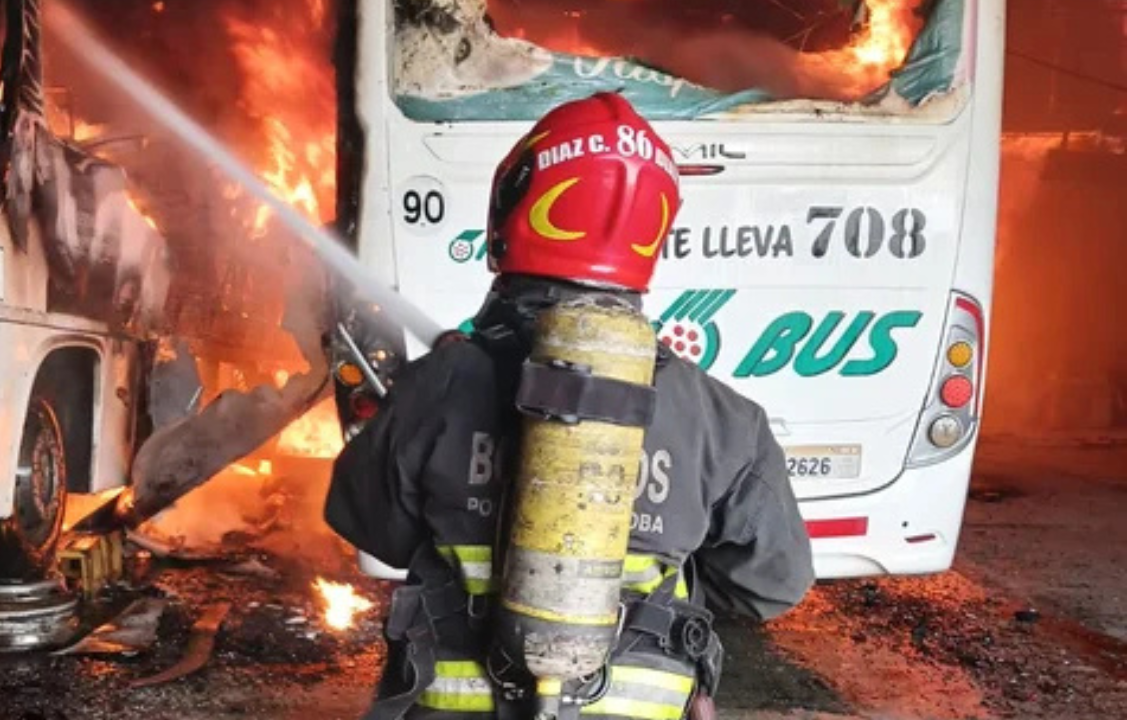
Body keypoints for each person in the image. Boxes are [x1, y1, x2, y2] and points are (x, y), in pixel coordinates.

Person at [325, 92, 814, 719]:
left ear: (515, 209)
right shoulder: (723, 420)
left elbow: (364, 521)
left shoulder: (443, 382)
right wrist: (660, 599)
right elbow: (774, 580)